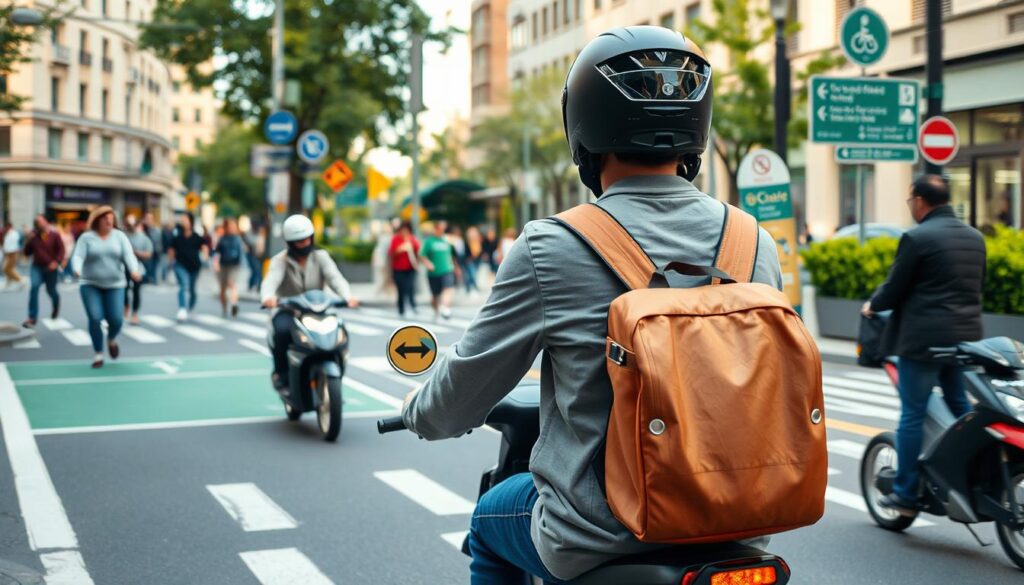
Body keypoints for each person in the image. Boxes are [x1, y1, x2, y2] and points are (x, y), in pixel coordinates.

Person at [400, 27, 782, 583]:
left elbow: (463, 392)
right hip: (742, 525)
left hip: (601, 531)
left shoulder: (552, 244)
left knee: (488, 520)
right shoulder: (754, 241)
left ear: (582, 126)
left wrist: (421, 409)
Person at [862, 174, 986, 516]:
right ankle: (972, 473)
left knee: (913, 414)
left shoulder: (917, 238)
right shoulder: (975, 238)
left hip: (924, 342)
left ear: (919, 200)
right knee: (962, 408)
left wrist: (873, 305)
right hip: (964, 341)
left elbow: (895, 287)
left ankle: (904, 495)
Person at [260, 215, 359, 389]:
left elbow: (336, 279)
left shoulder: (321, 257)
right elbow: (270, 281)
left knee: (340, 330)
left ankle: (337, 367)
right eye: (299, 241)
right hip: (289, 311)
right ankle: (281, 374)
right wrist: (268, 297)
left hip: (319, 310)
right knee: (281, 332)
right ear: (290, 242)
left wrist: (347, 296)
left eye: (307, 239)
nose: (304, 244)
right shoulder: (280, 261)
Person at [69, 206, 141, 368]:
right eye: (105, 218)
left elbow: (129, 255)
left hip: (115, 284)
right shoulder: (87, 238)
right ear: (97, 220)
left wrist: (134, 270)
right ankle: (98, 354)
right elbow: (78, 255)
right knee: (95, 318)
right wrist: (77, 268)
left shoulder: (119, 236)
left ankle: (111, 339)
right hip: (89, 283)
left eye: (111, 218)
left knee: (116, 319)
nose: (109, 221)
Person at [22, 214, 65, 327]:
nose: (39, 224)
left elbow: (61, 250)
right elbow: (27, 253)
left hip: (51, 268)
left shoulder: (55, 235)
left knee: (51, 291)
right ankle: (32, 317)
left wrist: (56, 262)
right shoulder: (34, 236)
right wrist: (28, 240)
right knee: (34, 286)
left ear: (46, 221)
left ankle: (55, 306)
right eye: (36, 222)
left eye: (40, 221)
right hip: (37, 267)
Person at [167, 213, 208, 322]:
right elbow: (171, 249)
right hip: (180, 265)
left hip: (194, 266)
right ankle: (182, 309)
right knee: (183, 285)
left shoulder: (196, 236)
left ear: (191, 221)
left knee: (192, 289)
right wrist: (170, 263)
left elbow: (204, 246)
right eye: (182, 219)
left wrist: (205, 254)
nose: (183, 221)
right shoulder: (177, 235)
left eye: (185, 219)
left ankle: (190, 307)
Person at [419, 220, 459, 321]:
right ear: (435, 229)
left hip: (447, 269)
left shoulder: (446, 240)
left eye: (443, 229)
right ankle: (436, 310)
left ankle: (445, 308)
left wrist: (456, 267)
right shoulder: (429, 241)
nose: (442, 231)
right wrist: (428, 264)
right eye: (440, 228)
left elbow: (451, 255)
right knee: (435, 295)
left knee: (448, 288)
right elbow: (422, 255)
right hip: (433, 272)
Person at [123, 215, 153, 325]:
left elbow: (149, 253)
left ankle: (134, 313)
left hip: (138, 267)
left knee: (136, 291)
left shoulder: (143, 238)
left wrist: (137, 253)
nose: (130, 227)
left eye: (132, 224)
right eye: (128, 224)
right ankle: (125, 305)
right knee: (123, 289)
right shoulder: (123, 237)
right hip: (123, 267)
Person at [214, 217, 244, 317]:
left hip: (234, 265)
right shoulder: (222, 238)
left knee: (232, 284)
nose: (232, 228)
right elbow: (217, 252)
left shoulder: (238, 239)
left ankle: (234, 304)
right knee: (222, 289)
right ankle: (224, 308)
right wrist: (216, 263)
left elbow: (240, 253)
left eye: (233, 226)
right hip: (223, 265)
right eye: (230, 226)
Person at [388, 222, 420, 317]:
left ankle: (412, 304)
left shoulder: (412, 239)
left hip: (410, 268)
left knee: (410, 287)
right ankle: (401, 307)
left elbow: (418, 250)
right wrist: (401, 249)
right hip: (398, 268)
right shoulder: (396, 239)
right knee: (401, 288)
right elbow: (391, 252)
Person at [142, 212, 163, 284]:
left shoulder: (156, 230)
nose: (148, 220)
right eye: (147, 218)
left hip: (154, 255)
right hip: (143, 255)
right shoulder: (141, 229)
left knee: (153, 271)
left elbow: (159, 243)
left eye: (150, 218)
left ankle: (152, 279)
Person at [464, 226, 484, 295]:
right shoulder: (467, 242)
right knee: (471, 274)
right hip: (470, 260)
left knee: (474, 273)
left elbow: (480, 251)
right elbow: (466, 252)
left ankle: (471, 287)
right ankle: (471, 287)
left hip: (477, 260)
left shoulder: (478, 241)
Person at [3, 222, 23, 288]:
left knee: (7, 268)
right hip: (9, 253)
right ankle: (9, 281)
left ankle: (20, 280)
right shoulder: (9, 233)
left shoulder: (13, 233)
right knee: (9, 268)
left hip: (12, 253)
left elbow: (13, 244)